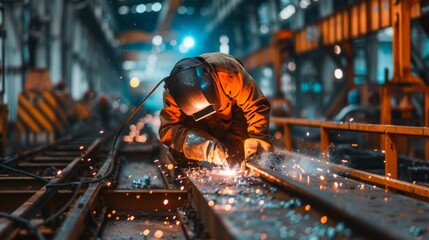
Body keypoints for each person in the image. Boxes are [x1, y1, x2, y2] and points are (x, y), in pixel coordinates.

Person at [159, 52, 273, 167]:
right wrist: (202, 146)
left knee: (238, 155)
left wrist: (257, 141)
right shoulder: (173, 94)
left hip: (233, 118)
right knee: (179, 153)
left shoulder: (229, 72)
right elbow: (167, 130)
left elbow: (256, 106)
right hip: (199, 128)